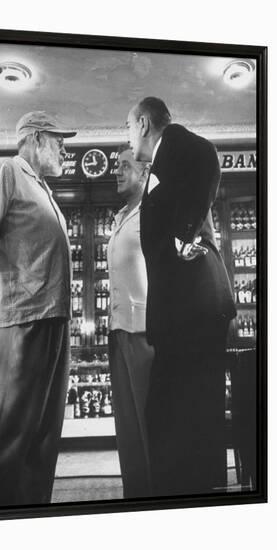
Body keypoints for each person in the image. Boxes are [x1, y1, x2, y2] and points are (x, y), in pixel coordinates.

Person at [0, 111, 76, 508]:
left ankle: (28, 520)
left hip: (53, 323)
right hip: (22, 319)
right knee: (6, 438)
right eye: (59, 140)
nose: (65, 148)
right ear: (36, 138)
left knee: (42, 439)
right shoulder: (7, 170)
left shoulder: (43, 189)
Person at [126, 97, 236, 496]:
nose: (128, 136)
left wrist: (181, 237)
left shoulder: (179, 143)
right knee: (178, 415)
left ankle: (196, 499)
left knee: (188, 414)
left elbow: (207, 156)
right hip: (181, 312)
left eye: (127, 127)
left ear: (142, 124)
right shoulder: (161, 159)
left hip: (193, 310)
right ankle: (191, 494)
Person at [107, 148, 154, 498]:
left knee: (149, 424)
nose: (117, 172)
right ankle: (135, 496)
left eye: (125, 166)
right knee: (126, 425)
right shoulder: (122, 215)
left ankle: (157, 495)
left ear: (144, 171)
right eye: (117, 166)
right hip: (117, 330)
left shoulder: (153, 212)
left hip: (144, 332)